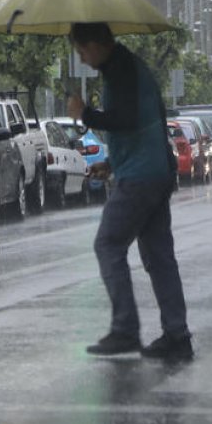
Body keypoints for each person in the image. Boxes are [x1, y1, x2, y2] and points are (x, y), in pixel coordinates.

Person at [65, 22, 192, 362]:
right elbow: (141, 126)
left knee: (108, 243)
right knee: (159, 257)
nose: (82, 58)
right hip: (154, 169)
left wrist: (84, 114)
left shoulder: (121, 71)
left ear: (96, 44)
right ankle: (177, 335)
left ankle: (125, 328)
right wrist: (111, 162)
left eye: (82, 51)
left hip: (140, 177)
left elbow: (125, 119)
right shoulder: (130, 68)